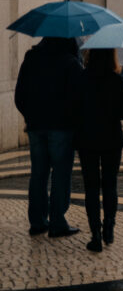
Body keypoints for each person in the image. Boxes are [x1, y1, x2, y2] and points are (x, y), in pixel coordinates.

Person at [14, 37, 84, 238]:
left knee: (38, 173)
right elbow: (79, 97)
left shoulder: (31, 57)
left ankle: (37, 221)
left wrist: (30, 114)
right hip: (62, 127)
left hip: (36, 126)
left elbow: (20, 94)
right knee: (61, 174)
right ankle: (57, 222)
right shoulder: (70, 63)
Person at [74, 48, 123, 252]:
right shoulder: (118, 81)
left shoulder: (81, 79)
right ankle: (109, 227)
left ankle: (95, 233)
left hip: (87, 138)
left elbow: (73, 109)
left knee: (91, 187)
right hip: (112, 138)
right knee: (110, 184)